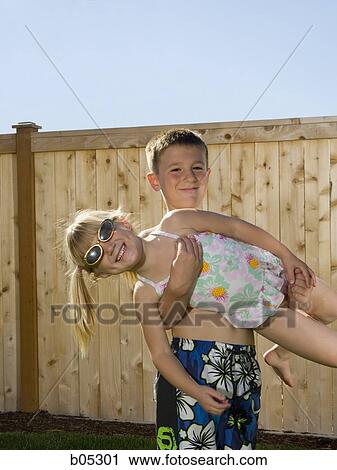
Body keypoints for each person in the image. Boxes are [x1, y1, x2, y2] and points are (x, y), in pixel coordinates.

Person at [62, 207, 337, 450]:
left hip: (274, 269)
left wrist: (287, 257)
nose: (108, 247)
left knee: (332, 308)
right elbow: (160, 354)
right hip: (266, 314)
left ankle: (281, 355)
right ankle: (283, 348)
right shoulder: (145, 292)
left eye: (105, 232)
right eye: (96, 254)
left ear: (122, 222)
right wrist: (195, 391)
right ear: (101, 273)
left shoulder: (176, 223)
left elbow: (235, 228)